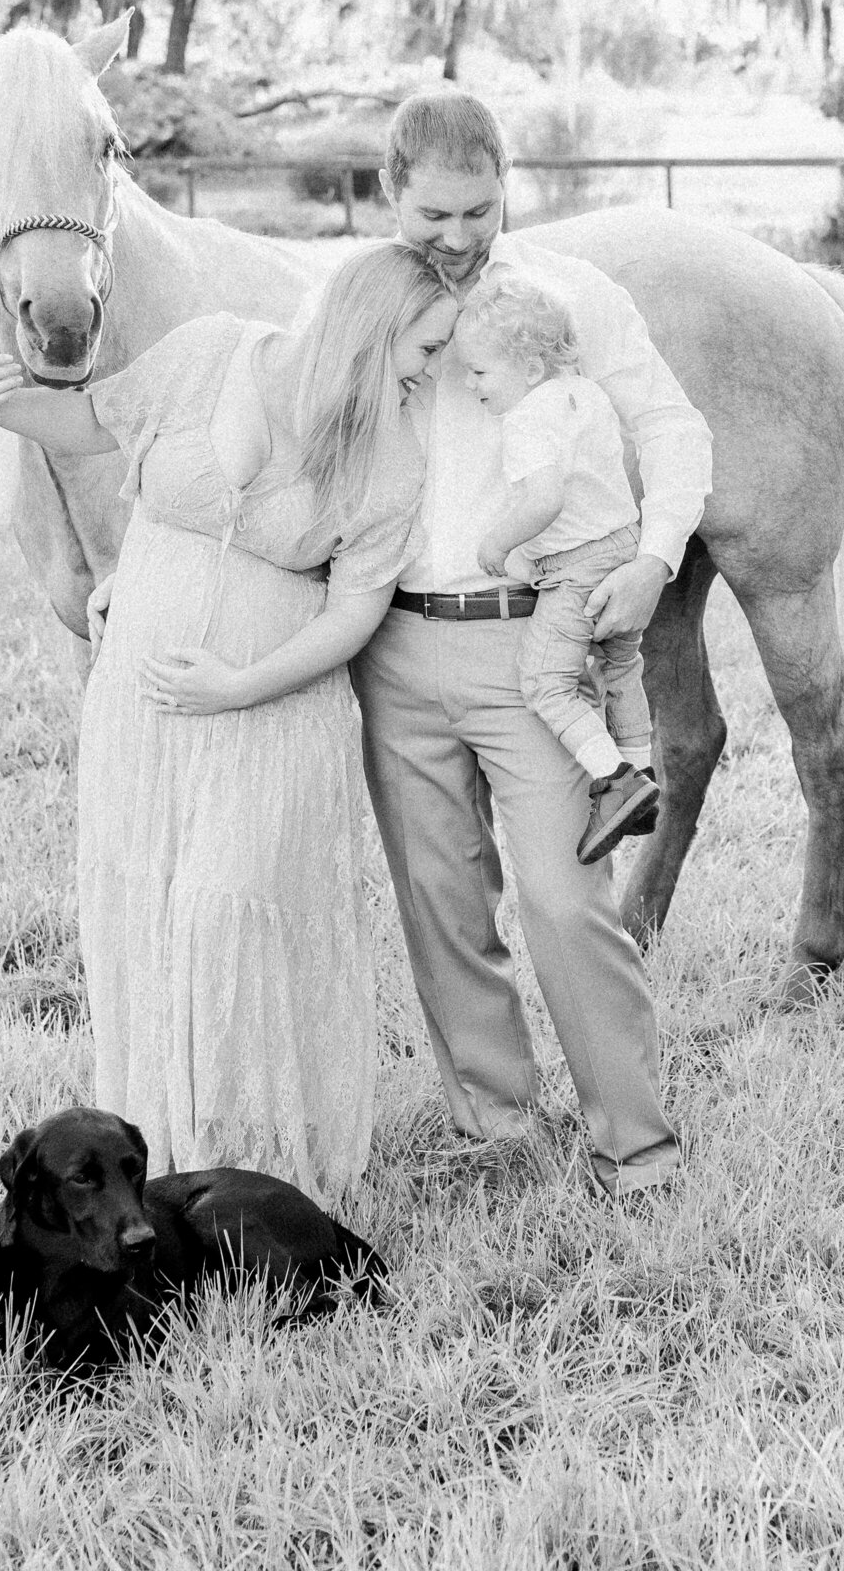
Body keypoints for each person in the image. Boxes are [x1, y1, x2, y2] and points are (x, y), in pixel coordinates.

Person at [0, 244, 459, 1206]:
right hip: (143, 713)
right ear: (373, 324)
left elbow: (352, 617)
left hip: (272, 721)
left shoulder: (395, 455)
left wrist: (239, 685)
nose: (430, 371)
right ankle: (165, 1159)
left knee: (228, 911)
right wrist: (0, 404)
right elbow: (90, 420)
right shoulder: (211, 352)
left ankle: (254, 1172)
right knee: (149, 908)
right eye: (427, 346)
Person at [355, 92, 713, 1199]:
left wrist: (654, 558)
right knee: (442, 901)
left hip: (534, 643)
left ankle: (636, 1145)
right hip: (398, 646)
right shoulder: (361, 299)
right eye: (431, 214)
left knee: (566, 901)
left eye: (478, 208)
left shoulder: (572, 297)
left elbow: (670, 427)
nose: (456, 238)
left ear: (508, 182)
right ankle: (494, 1126)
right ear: (387, 194)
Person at [456, 271, 661, 864]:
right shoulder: (586, 395)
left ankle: (614, 780)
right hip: (624, 543)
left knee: (546, 683)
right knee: (621, 664)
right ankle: (644, 772)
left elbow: (544, 500)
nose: (471, 386)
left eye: (479, 371)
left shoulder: (526, 419)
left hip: (577, 567)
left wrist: (498, 542)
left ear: (528, 368)